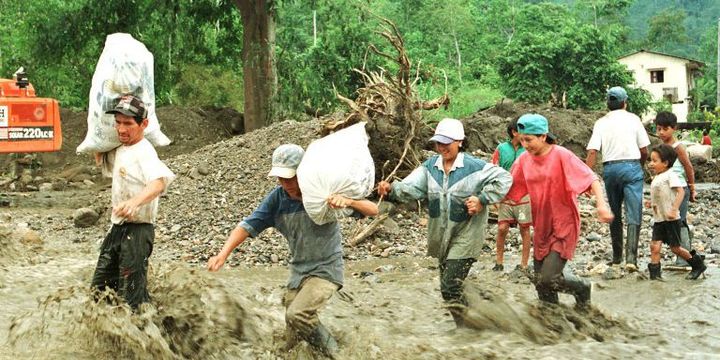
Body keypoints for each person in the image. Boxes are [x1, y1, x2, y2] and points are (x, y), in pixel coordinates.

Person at [207, 144, 378, 355]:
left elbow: (373, 210)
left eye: (290, 177)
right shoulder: (277, 200)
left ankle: (338, 354)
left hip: (326, 270)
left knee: (297, 315)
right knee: (290, 342)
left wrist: (349, 201)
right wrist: (223, 254)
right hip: (298, 273)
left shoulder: (323, 192)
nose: (285, 183)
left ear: (303, 172)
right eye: (280, 178)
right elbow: (246, 226)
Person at [377, 118, 512, 327]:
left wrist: (482, 199)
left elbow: (505, 179)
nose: (441, 147)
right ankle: (478, 320)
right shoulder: (430, 167)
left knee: (449, 287)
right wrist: (391, 190)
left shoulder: (475, 167)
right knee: (450, 288)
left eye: (446, 143)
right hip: (441, 235)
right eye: (438, 143)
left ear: (459, 141)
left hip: (467, 234)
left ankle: (470, 328)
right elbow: (410, 188)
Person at [506, 114, 614, 308]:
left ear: (543, 136)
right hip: (541, 225)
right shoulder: (523, 160)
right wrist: (482, 200)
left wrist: (601, 205)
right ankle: (556, 326)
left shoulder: (561, 155)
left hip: (564, 223)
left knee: (549, 279)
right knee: (541, 285)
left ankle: (581, 288)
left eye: (528, 140)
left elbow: (591, 178)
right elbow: (508, 185)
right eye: (521, 140)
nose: (525, 144)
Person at [90, 94, 176, 309]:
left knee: (131, 297)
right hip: (117, 229)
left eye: (128, 123)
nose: (121, 129)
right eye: (117, 123)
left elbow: (158, 183)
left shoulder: (144, 151)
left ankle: (146, 334)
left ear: (144, 124)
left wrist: (134, 203)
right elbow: (101, 158)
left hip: (138, 232)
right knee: (100, 292)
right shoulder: (120, 148)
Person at [585, 86, 650, 271]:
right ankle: (631, 259)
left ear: (608, 103)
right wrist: (640, 165)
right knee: (633, 212)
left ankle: (616, 258)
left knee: (614, 213)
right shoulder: (634, 119)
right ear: (625, 102)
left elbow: (592, 151)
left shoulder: (601, 123)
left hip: (610, 169)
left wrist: (586, 177)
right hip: (632, 166)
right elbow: (644, 149)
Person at [646, 144, 707, 280]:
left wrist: (674, 209)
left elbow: (680, 191)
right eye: (651, 160)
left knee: (675, 248)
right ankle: (654, 277)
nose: (651, 164)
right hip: (659, 219)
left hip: (671, 219)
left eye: (654, 161)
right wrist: (651, 202)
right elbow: (660, 194)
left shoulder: (670, 175)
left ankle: (697, 265)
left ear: (666, 163)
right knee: (655, 246)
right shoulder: (657, 177)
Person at [654, 111, 696, 266]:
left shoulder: (678, 147)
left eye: (665, 129)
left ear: (674, 129)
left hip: (679, 190)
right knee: (667, 222)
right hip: (666, 191)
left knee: (680, 221)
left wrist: (692, 188)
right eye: (659, 129)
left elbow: (688, 167)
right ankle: (680, 254)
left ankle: (684, 259)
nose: (662, 132)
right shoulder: (660, 148)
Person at [491, 118, 532, 273]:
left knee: (525, 228)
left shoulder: (528, 149)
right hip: (505, 195)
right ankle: (499, 261)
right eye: (522, 130)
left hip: (524, 195)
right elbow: (493, 169)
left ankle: (524, 264)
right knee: (502, 228)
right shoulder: (501, 148)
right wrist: (494, 194)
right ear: (514, 132)